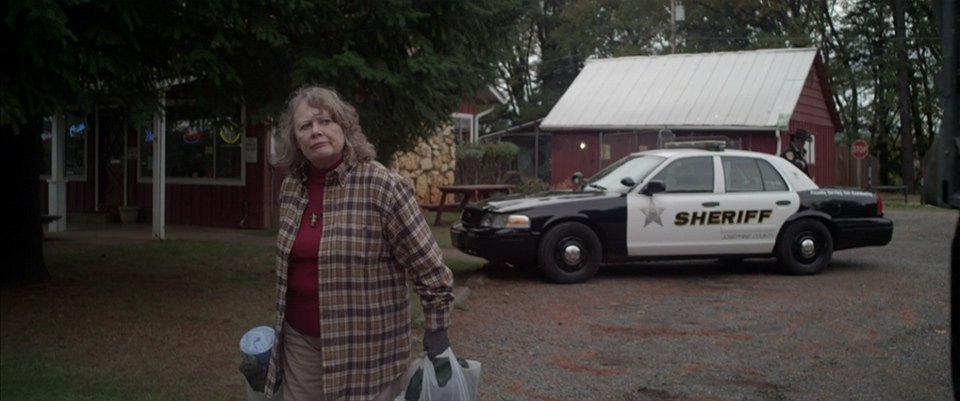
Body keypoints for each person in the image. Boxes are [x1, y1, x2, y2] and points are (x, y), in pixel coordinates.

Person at [264, 86, 454, 401]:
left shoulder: (384, 187)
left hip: (367, 351)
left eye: (325, 121)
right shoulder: (291, 188)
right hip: (301, 344)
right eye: (305, 126)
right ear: (295, 138)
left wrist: (437, 330)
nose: (316, 131)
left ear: (345, 128)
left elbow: (429, 266)